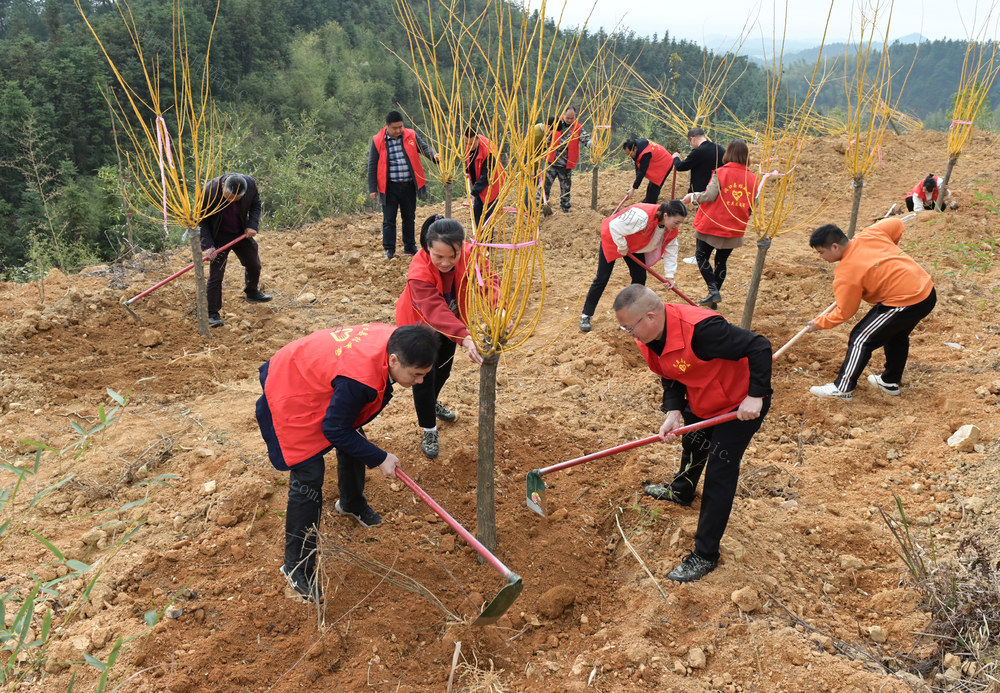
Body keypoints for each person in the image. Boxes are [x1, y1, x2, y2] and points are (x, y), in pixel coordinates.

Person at [256, 323, 438, 602]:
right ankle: (296, 567)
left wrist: (371, 452)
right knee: (309, 473)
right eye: (416, 374)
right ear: (393, 360)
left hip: (315, 371)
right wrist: (380, 458)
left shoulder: (396, 341)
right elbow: (335, 429)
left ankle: (351, 503)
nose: (420, 381)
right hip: (289, 384)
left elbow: (345, 425)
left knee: (354, 436)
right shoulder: (360, 379)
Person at [613, 284, 772, 582]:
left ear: (650, 317)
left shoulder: (702, 330)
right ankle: (682, 490)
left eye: (629, 327)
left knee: (720, 472)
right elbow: (669, 373)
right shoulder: (647, 338)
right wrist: (674, 410)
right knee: (694, 444)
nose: (628, 334)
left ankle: (706, 554)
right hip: (703, 397)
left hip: (739, 404)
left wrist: (756, 395)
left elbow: (759, 346)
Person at [396, 215, 495, 457]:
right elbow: (434, 310)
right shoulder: (419, 271)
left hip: (452, 322)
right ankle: (429, 428)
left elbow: (489, 281)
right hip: (419, 325)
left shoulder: (471, 254)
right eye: (438, 256)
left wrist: (498, 308)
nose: (446, 263)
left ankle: (432, 403)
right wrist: (465, 337)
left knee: (443, 370)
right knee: (423, 377)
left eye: (453, 256)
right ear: (427, 248)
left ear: (462, 247)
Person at [806, 219, 936, 400]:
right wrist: (887, 255)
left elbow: (845, 312)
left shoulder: (846, 272)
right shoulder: (869, 234)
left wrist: (819, 323)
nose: (820, 257)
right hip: (926, 291)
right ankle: (889, 381)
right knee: (896, 334)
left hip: (904, 301)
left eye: (821, 252)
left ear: (835, 247)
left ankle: (842, 389)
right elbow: (896, 224)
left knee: (861, 338)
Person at [580, 200, 687, 332]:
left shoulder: (671, 230)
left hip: (636, 246)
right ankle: (586, 315)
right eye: (676, 222)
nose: (677, 226)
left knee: (640, 278)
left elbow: (671, 251)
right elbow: (614, 226)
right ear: (666, 215)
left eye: (680, 223)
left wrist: (670, 275)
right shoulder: (641, 215)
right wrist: (622, 246)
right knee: (602, 278)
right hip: (614, 238)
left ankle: (630, 318)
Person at [682, 140, 758, 309]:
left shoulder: (721, 172)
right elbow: (753, 205)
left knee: (701, 256)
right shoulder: (753, 179)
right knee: (721, 261)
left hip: (713, 222)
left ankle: (713, 290)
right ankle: (713, 299)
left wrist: (693, 197)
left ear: (728, 153)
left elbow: (710, 195)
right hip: (735, 225)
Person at [198, 172, 272, 328]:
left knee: (254, 263)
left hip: (240, 233)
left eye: (236, 199)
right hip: (218, 236)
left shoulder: (249, 185)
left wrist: (252, 225)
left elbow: (256, 204)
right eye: (229, 197)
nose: (232, 201)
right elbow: (202, 221)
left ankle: (252, 292)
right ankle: (212, 313)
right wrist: (208, 246)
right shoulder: (209, 191)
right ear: (223, 187)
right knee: (216, 275)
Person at [368, 111, 440, 259]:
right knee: (389, 220)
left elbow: (424, 148)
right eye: (395, 128)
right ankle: (389, 249)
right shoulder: (377, 140)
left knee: (409, 217)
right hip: (389, 187)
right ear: (387, 126)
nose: (398, 130)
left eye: (400, 126)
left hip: (408, 185)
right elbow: (372, 165)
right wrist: (372, 188)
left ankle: (410, 246)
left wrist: (434, 155)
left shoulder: (411, 135)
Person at [542, 106, 591, 213]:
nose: (569, 120)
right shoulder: (556, 123)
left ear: (575, 117)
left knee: (566, 189)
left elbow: (586, 140)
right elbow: (546, 137)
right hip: (552, 162)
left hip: (566, 165)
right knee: (545, 186)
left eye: (572, 118)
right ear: (563, 115)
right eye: (567, 118)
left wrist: (593, 145)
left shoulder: (578, 128)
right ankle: (540, 206)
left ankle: (565, 209)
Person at [464, 127, 506, 229]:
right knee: (477, 212)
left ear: (477, 139)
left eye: (471, 144)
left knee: (488, 217)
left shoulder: (488, 151)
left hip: (492, 183)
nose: (469, 146)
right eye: (466, 143)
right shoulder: (469, 144)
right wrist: (467, 170)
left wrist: (474, 192)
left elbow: (487, 175)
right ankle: (479, 235)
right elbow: (467, 158)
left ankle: (487, 238)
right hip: (479, 183)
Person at [671, 127, 726, 195]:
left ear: (692, 139)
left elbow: (680, 167)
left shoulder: (698, 152)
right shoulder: (720, 149)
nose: (691, 145)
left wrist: (676, 158)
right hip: (718, 190)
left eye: (690, 142)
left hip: (700, 193)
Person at [622, 137, 674, 204]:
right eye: (627, 154)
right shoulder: (636, 145)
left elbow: (642, 171)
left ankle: (651, 204)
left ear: (635, 149)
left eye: (630, 154)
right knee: (650, 187)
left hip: (665, 163)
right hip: (658, 162)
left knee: (654, 187)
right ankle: (647, 201)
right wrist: (636, 180)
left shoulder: (645, 153)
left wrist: (633, 189)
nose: (629, 156)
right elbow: (637, 164)